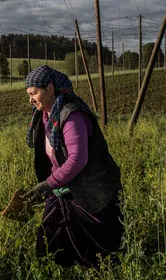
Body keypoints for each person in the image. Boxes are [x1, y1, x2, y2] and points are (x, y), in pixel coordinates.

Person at [19, 65, 124, 267]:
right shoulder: (46, 116)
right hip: (63, 189)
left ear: (50, 89)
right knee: (49, 236)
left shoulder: (71, 116)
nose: (30, 99)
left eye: (33, 93)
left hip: (92, 192)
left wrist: (46, 185)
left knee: (96, 252)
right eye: (28, 94)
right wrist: (49, 186)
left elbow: (77, 160)